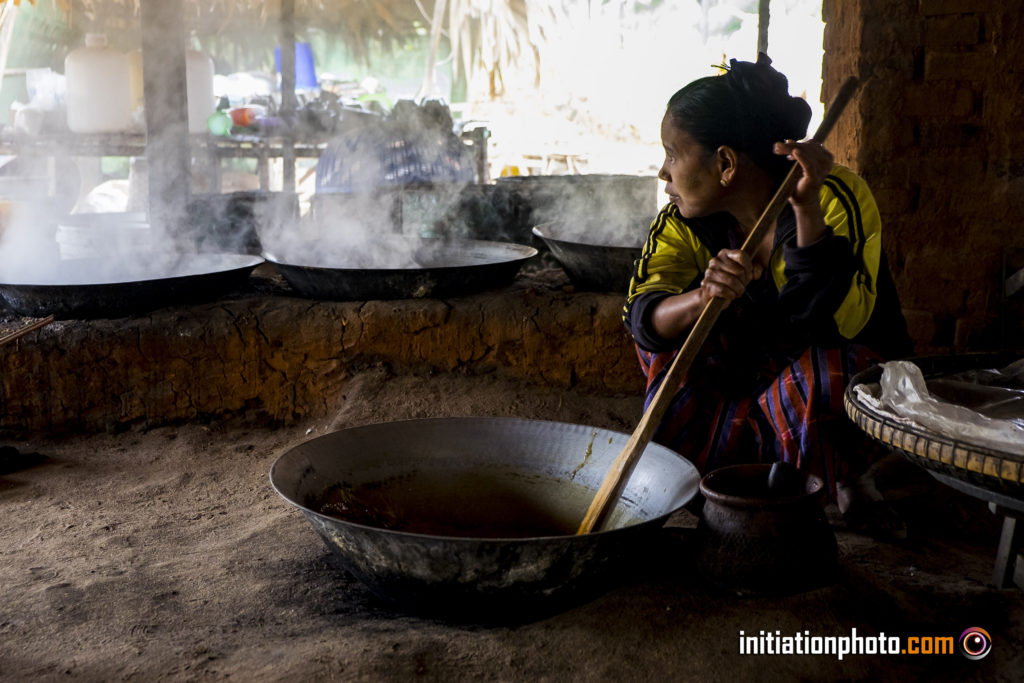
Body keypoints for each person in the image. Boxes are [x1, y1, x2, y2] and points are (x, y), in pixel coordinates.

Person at [623, 55, 913, 539]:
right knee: (664, 341)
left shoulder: (834, 196)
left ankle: (850, 480)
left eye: (673, 154)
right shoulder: (682, 220)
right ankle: (732, 480)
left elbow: (839, 324)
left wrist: (805, 213)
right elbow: (641, 316)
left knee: (828, 369)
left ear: (726, 164)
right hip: (746, 377)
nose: (662, 172)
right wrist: (701, 298)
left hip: (829, 375)